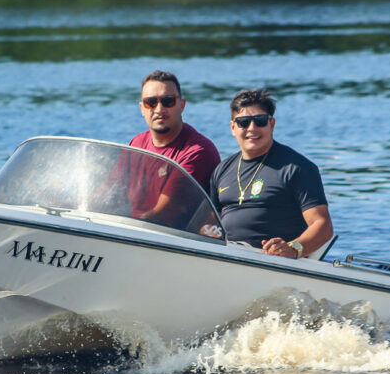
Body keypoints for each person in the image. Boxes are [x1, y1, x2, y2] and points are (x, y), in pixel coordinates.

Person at [209, 89, 333, 259]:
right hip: (225, 255)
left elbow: (323, 225)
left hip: (271, 261)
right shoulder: (221, 170)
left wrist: (294, 248)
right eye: (243, 122)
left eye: (260, 121)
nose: (252, 128)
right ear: (233, 127)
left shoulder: (297, 168)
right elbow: (208, 224)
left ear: (272, 124)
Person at [126, 70, 221, 224]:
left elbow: (163, 214)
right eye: (151, 102)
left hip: (175, 237)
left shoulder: (198, 151)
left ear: (181, 105)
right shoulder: (136, 144)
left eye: (168, 101)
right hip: (138, 230)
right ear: (142, 108)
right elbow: (109, 191)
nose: (159, 109)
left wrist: (125, 226)